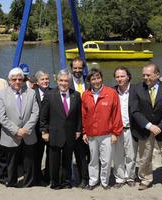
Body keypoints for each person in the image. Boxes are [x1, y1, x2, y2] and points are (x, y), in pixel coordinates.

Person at [0, 67, 39, 187]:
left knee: (28, 160)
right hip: (11, 135)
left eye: (20, 79)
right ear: (9, 80)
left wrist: (26, 129)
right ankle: (12, 182)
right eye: (14, 79)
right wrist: (16, 130)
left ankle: (29, 182)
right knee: (12, 162)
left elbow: (35, 113)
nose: (17, 82)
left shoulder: (30, 93)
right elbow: (1, 116)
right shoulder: (1, 95)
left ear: (23, 80)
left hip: (28, 133)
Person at [40, 69, 82, 189]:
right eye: (61, 80)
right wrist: (44, 131)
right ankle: (55, 182)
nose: (64, 83)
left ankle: (66, 182)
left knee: (68, 159)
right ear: (57, 81)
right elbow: (43, 116)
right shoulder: (49, 95)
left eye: (66, 81)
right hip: (54, 133)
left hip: (70, 133)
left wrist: (78, 130)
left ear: (69, 82)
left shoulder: (76, 95)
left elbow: (79, 115)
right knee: (54, 160)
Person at [82, 68, 123, 190]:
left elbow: (116, 114)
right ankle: (93, 181)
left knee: (106, 160)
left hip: (107, 134)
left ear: (102, 78)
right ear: (89, 81)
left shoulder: (111, 93)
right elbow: (83, 115)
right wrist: (84, 132)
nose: (96, 81)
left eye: (98, 78)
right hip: (91, 134)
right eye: (93, 79)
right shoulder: (85, 95)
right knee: (93, 160)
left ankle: (104, 182)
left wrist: (116, 133)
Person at [130, 63, 162, 190]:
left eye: (148, 75)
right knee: (145, 157)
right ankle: (146, 179)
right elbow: (134, 110)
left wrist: (160, 126)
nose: (145, 77)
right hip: (144, 129)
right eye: (143, 75)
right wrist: (149, 125)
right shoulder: (135, 88)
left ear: (157, 75)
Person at [113, 66, 138, 188]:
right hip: (116, 130)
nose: (119, 79)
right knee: (117, 155)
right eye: (117, 76)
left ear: (128, 76)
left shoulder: (136, 90)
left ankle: (130, 177)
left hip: (130, 128)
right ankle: (119, 179)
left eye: (122, 76)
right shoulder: (112, 91)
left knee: (131, 155)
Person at [69, 57, 90, 188]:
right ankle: (80, 178)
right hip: (74, 124)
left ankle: (88, 177)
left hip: (89, 124)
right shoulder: (67, 83)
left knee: (90, 154)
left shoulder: (89, 82)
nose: (77, 70)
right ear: (71, 69)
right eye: (75, 68)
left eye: (80, 68)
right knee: (78, 154)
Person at [34, 70, 51, 185]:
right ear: (37, 82)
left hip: (51, 129)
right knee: (37, 154)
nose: (45, 81)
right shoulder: (31, 93)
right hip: (36, 129)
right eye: (42, 79)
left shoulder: (54, 92)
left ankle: (49, 176)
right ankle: (38, 176)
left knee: (51, 154)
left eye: (47, 79)